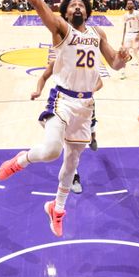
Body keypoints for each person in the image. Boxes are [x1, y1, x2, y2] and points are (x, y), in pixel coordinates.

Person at [0, 0, 130, 237]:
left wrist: (122, 58)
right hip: (63, 99)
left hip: (87, 106)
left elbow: (116, 65)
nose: (78, 6)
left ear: (88, 11)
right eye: (73, 5)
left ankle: (56, 209)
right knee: (52, 150)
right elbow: (37, 3)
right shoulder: (61, 29)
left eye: (82, 4)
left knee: (71, 164)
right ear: (66, 13)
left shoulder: (98, 33)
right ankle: (20, 160)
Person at [31, 61, 102, 194]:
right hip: (64, 105)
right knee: (68, 144)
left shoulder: (87, 61)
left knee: (91, 126)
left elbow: (100, 82)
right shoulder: (60, 60)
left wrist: (91, 90)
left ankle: (93, 138)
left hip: (85, 103)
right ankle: (74, 177)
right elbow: (43, 77)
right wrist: (38, 91)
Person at [120, 0, 139, 78]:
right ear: (127, 5)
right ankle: (123, 72)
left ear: (133, 5)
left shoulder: (138, 13)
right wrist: (123, 39)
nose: (129, 5)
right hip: (127, 35)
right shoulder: (125, 15)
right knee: (125, 54)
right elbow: (124, 28)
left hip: (136, 34)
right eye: (128, 4)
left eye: (131, 3)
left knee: (136, 53)